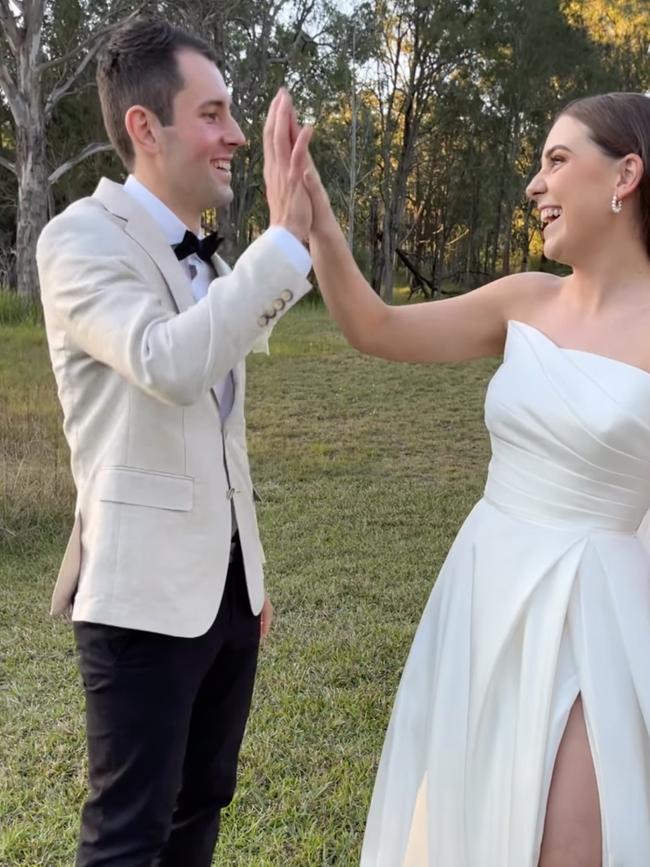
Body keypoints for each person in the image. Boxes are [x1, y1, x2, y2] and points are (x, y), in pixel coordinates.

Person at [301, 91, 650, 865]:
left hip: (604, 609)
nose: (535, 184)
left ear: (627, 173)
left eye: (557, 160)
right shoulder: (525, 300)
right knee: (471, 814)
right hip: (486, 583)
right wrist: (320, 222)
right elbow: (375, 326)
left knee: (580, 837)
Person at [36, 18, 313, 867]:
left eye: (232, 115)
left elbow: (220, 424)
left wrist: (247, 576)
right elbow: (168, 363)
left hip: (224, 599)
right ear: (145, 129)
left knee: (200, 815)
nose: (232, 135)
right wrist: (284, 241)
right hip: (140, 598)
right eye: (213, 113)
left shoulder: (211, 266)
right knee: (128, 837)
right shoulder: (80, 238)